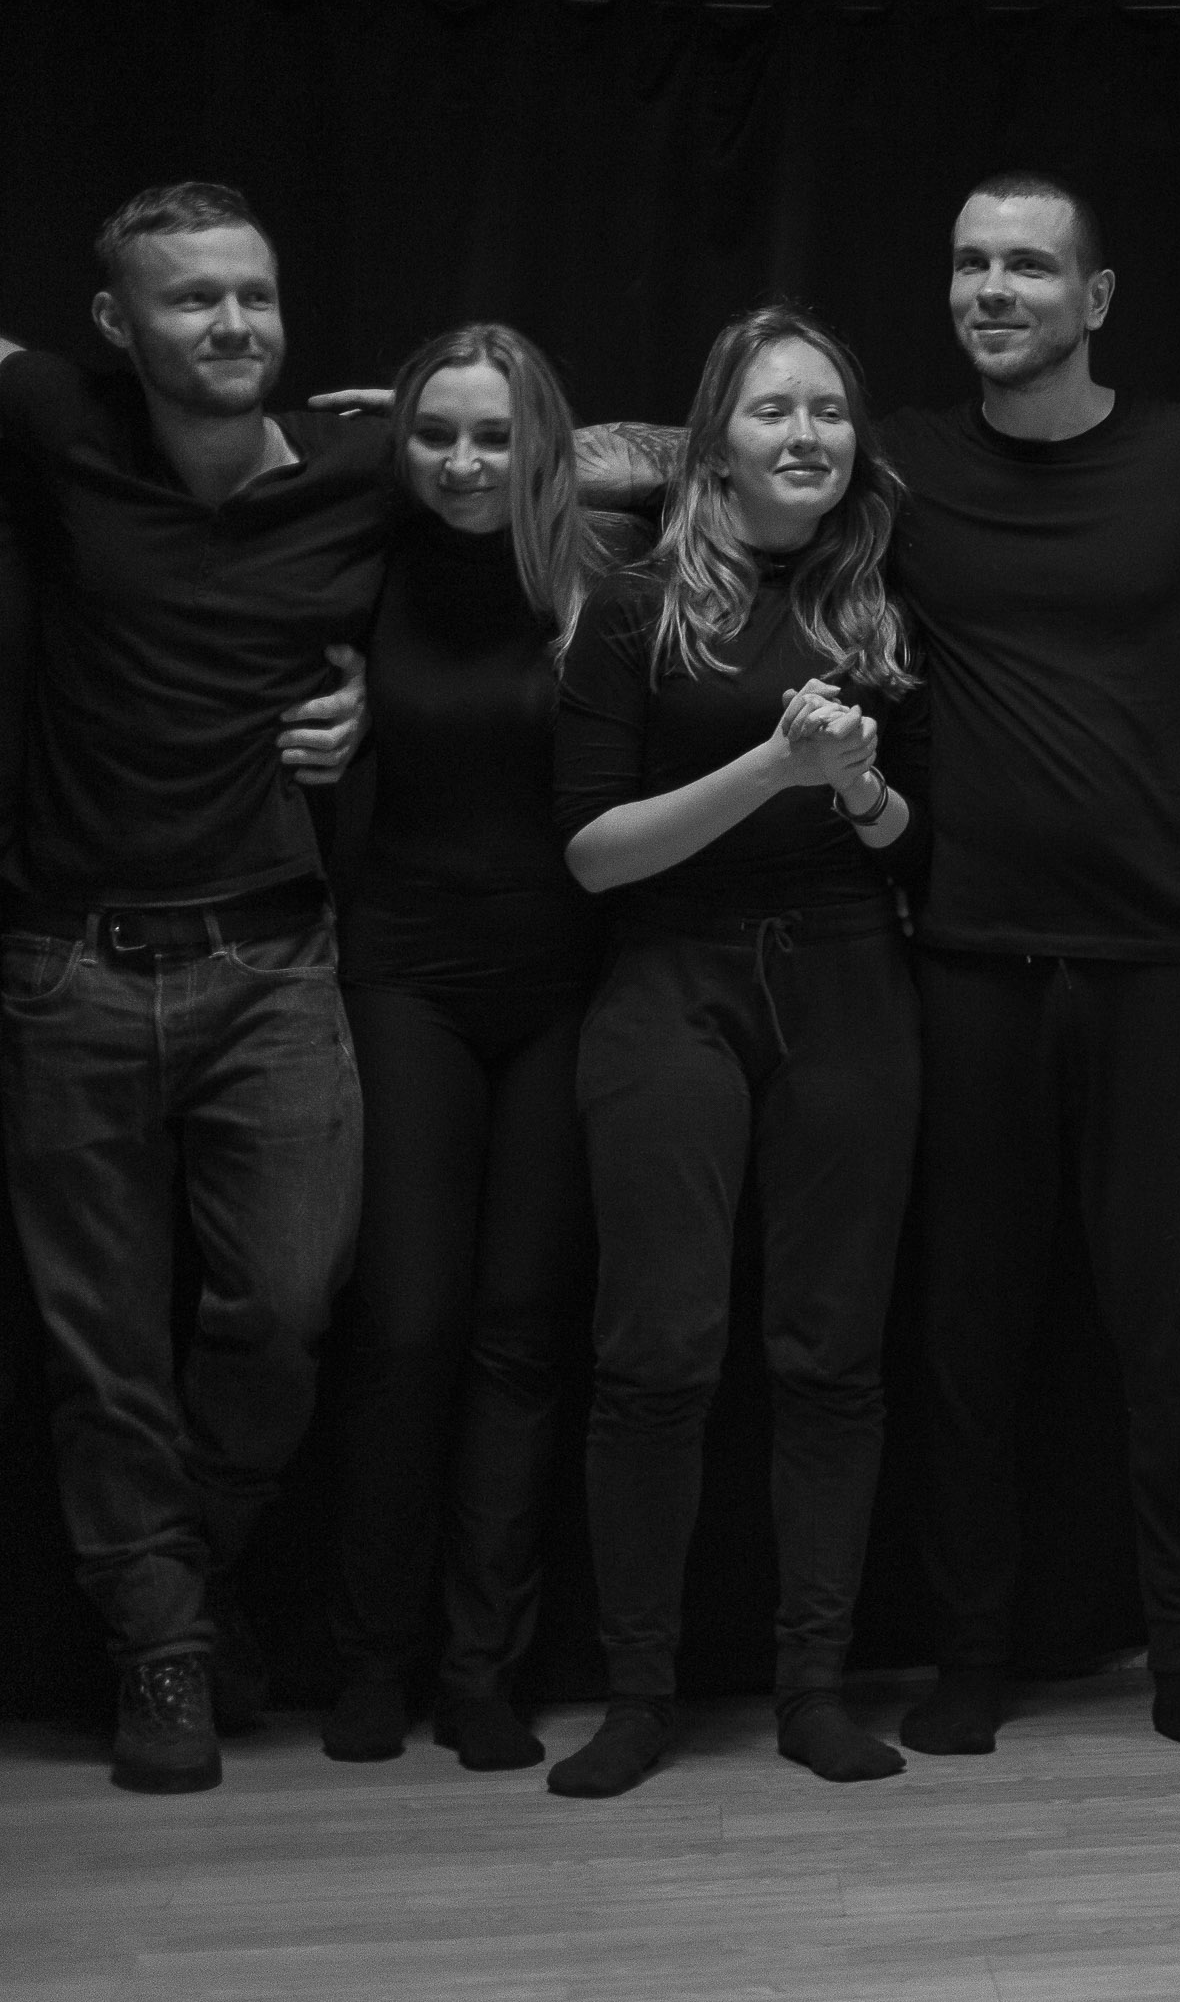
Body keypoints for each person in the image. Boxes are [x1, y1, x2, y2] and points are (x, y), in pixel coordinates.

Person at [880, 172, 1180, 1767]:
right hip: (971, 956)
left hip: (1167, 958)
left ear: (1100, 296)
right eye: (969, 263)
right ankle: (970, 1654)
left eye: (1027, 264)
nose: (993, 289)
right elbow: (710, 462)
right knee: (969, 1330)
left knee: (1178, 1330)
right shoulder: (900, 465)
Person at [0, 181, 378, 1794]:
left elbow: (590, 465)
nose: (232, 324)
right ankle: (163, 1647)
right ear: (116, 324)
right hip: (68, 963)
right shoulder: (58, 420)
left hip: (271, 957)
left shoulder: (364, 461)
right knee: (102, 1356)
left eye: (253, 294)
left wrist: (375, 695)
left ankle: (189, 1572)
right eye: (192, 299)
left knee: (284, 1311)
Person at [545, 305, 928, 1799]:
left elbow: (916, 840)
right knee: (657, 1352)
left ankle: (815, 1689)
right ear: (716, 441)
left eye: (828, 410)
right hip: (671, 983)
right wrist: (773, 764)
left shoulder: (884, 603)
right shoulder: (635, 610)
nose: (806, 435)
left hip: (847, 982)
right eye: (775, 410)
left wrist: (860, 791)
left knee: (830, 1354)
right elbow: (593, 852)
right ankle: (639, 1695)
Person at [317, 325, 626, 1773]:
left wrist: (564, 442)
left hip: (566, 981)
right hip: (408, 977)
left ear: (543, 444)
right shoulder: (362, 561)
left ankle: (481, 1670)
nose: (460, 462)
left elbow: (699, 451)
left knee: (522, 1325)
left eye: (494, 435)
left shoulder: (594, 575)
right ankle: (370, 1658)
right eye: (434, 433)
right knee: (409, 1322)